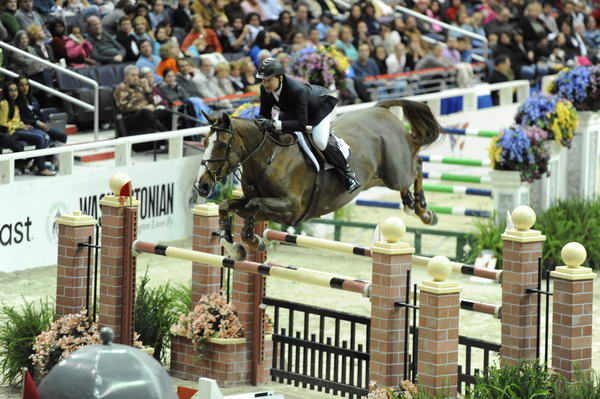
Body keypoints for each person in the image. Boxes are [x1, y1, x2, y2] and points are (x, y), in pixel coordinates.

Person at [255, 57, 359, 192]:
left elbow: (301, 124)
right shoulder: (265, 89)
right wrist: (262, 123)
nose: (265, 84)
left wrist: (275, 125)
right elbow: (264, 114)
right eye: (263, 80)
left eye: (269, 80)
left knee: (320, 141)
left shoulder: (296, 89)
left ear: (279, 77)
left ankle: (348, 173)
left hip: (318, 110)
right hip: (293, 110)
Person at [0, 80, 55, 176]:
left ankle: (34, 164)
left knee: (45, 135)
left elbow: (16, 119)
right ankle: (41, 168)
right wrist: (19, 126)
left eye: (16, 90)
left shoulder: (15, 103)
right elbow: (3, 124)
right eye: (11, 91)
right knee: (40, 137)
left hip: (18, 128)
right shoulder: (4, 104)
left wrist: (22, 125)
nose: (14, 93)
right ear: (6, 92)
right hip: (12, 132)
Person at [113, 65, 170, 150]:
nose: (136, 78)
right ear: (126, 76)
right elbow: (124, 107)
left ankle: (178, 137)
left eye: (137, 75)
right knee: (145, 112)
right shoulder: (120, 88)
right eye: (133, 75)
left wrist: (148, 90)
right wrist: (144, 107)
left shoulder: (139, 86)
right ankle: (168, 137)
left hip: (146, 114)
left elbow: (153, 102)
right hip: (130, 118)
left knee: (165, 112)